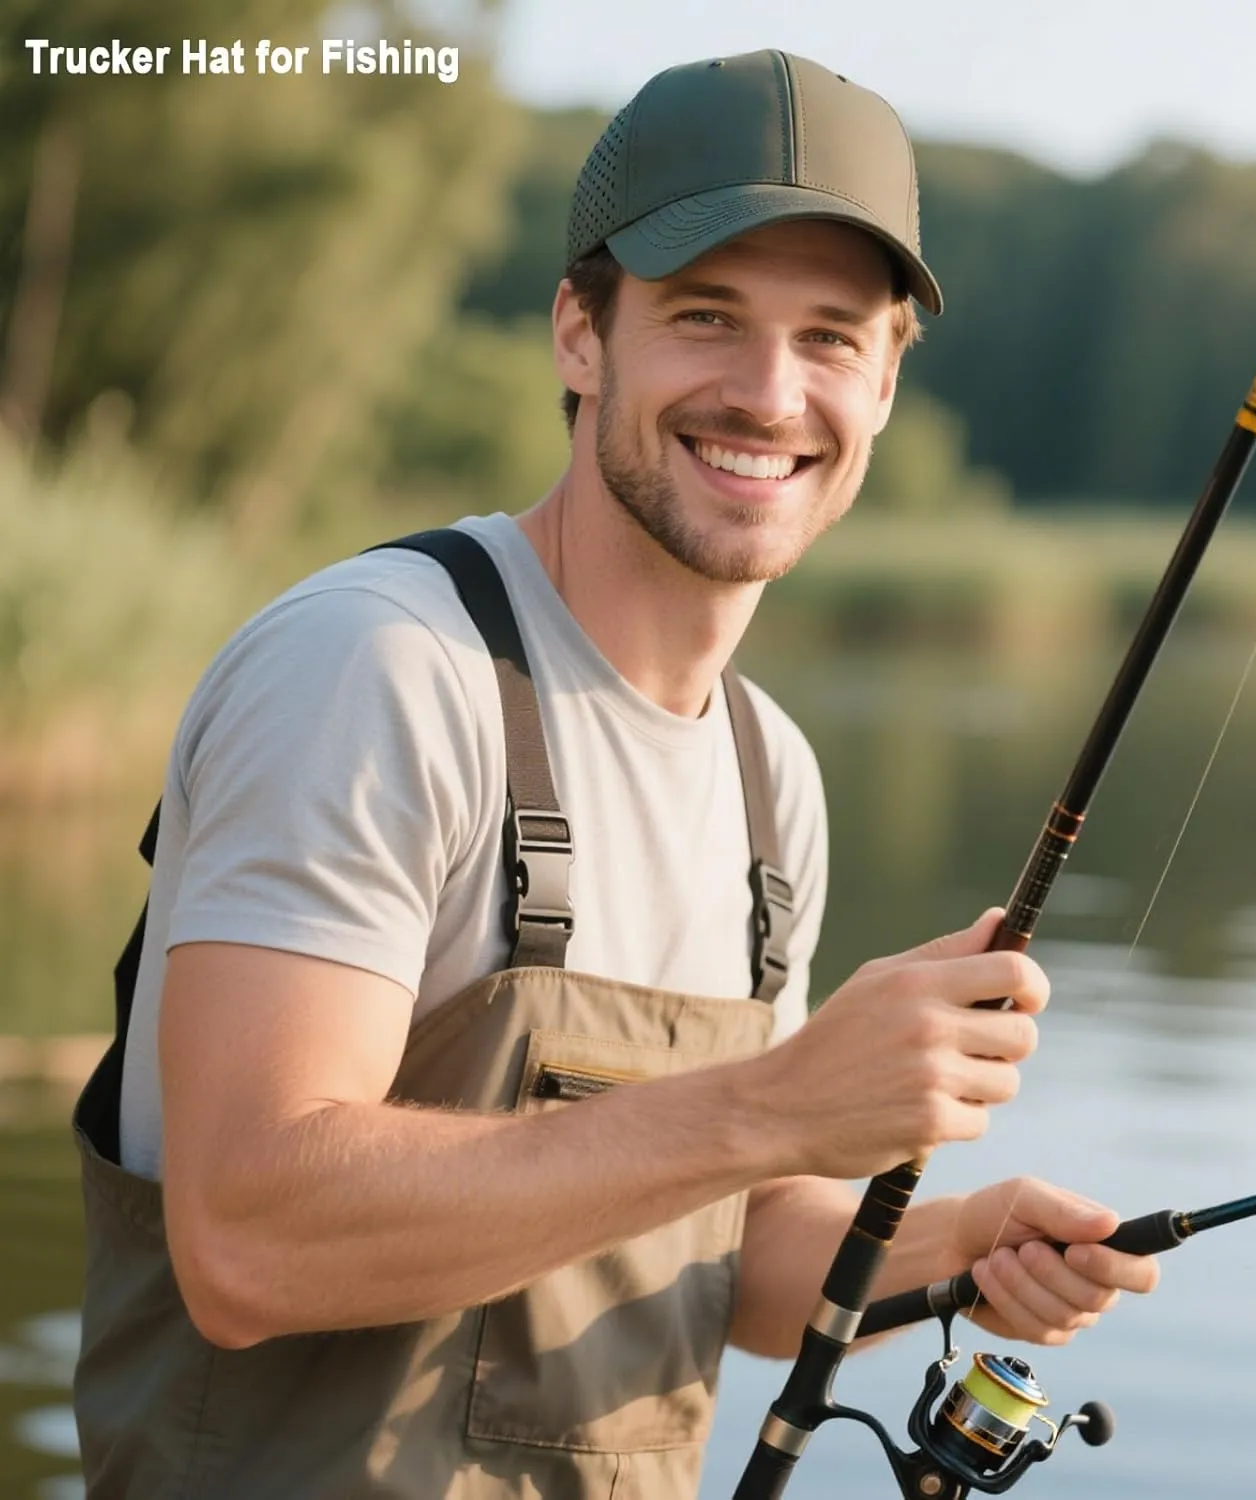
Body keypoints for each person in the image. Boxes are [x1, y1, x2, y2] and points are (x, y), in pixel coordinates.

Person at [71, 48, 1159, 1500]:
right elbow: (250, 1242)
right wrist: (774, 1102)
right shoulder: (377, 669)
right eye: (707, 316)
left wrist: (951, 1245)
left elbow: (730, 1254)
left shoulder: (772, 774)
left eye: (831, 338)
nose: (769, 394)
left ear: (888, 381)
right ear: (580, 334)